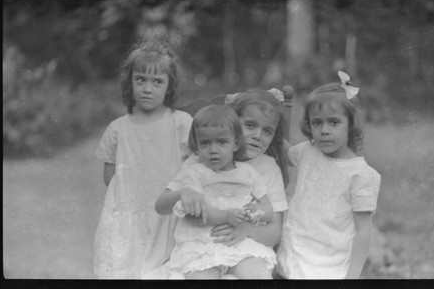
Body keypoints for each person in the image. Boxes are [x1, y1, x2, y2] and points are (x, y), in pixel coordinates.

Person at [94, 39, 192, 279]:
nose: (148, 88)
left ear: (169, 87)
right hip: (129, 216)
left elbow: (194, 168)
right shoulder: (118, 129)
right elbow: (110, 176)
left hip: (166, 213)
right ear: (130, 83)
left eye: (157, 82)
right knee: (124, 270)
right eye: (141, 80)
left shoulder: (180, 123)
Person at [276, 71, 381, 279]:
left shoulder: (362, 175)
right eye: (317, 123)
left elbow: (363, 232)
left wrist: (353, 275)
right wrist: (271, 108)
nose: (324, 130)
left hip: (330, 263)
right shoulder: (308, 152)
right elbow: (280, 147)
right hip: (293, 252)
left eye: (334, 122)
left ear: (350, 124)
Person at [156, 104, 276, 279]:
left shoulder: (248, 173)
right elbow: (193, 216)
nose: (213, 150)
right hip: (202, 244)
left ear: (236, 144)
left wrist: (255, 212)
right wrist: (226, 216)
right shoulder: (196, 172)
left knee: (256, 273)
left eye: (222, 142)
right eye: (205, 143)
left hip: (239, 242)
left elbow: (268, 210)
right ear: (196, 147)